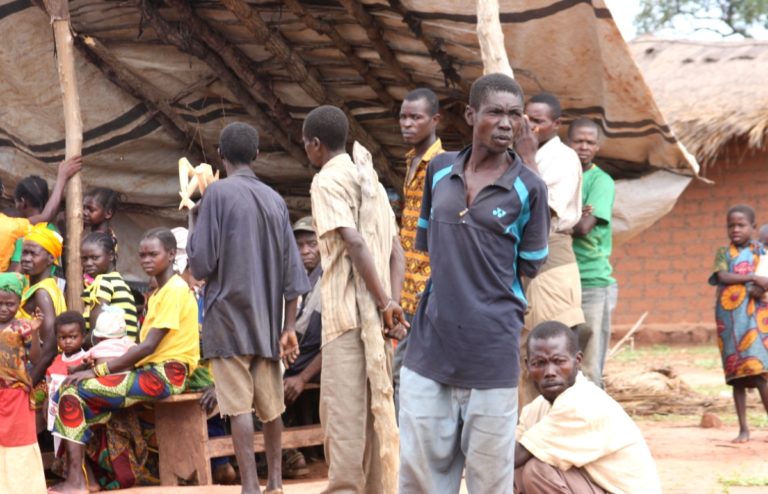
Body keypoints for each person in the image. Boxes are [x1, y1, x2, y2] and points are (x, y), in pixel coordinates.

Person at [399, 74, 550, 494]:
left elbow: (531, 265)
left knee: (488, 480)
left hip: (492, 352)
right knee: (421, 476)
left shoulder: (529, 189)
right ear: (470, 115)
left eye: (514, 115)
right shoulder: (439, 170)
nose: (507, 123)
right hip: (430, 348)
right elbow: (428, 247)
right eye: (495, 112)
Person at [188, 122, 310, 494]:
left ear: (221, 156)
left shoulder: (217, 195)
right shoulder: (274, 199)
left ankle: (249, 487)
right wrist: (288, 326)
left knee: (239, 407)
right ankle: (275, 482)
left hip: (227, 321)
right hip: (269, 322)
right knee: (271, 407)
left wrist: (193, 217)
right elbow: (293, 271)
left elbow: (200, 265)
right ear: (257, 155)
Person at [49, 227, 199, 493]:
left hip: (165, 376)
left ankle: (77, 481)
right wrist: (95, 367)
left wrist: (99, 371)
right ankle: (88, 478)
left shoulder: (174, 290)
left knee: (71, 393)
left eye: (154, 254)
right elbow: (143, 347)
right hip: (152, 372)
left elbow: (149, 346)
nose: (146, 260)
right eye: (142, 255)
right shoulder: (160, 292)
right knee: (72, 392)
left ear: (172, 254)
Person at [305, 105, 406, 493]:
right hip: (380, 326)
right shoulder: (373, 182)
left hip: (346, 322)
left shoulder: (327, 181)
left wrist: (383, 303)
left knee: (344, 427)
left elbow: (354, 240)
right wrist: (392, 305)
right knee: (376, 426)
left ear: (315, 144)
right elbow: (396, 251)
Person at [515, 321, 662, 494]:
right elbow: (507, 455)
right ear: (527, 365)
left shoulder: (581, 404)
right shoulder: (535, 409)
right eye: (539, 363)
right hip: (595, 486)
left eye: (559, 361)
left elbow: (513, 456)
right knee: (514, 472)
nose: (550, 372)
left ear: (577, 361)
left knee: (538, 471)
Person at [517, 92, 585, 406]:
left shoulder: (561, 159)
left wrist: (528, 158)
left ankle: (560, 439)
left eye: (538, 121)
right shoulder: (519, 154)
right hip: (527, 264)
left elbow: (543, 214)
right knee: (528, 355)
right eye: (526, 118)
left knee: (552, 360)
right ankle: (533, 439)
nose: (529, 126)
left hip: (550, 262)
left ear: (556, 124)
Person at [392, 87, 444, 414]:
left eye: (416, 117)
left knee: (407, 375)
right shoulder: (411, 161)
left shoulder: (441, 166)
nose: (407, 124)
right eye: (403, 117)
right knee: (405, 374)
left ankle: (407, 454)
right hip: (408, 292)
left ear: (435, 120)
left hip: (428, 292)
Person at [708, 205, 768, 443]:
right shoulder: (723, 253)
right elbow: (722, 277)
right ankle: (743, 429)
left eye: (741, 225)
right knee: (736, 378)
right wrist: (754, 278)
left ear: (753, 227)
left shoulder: (760, 252)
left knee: (762, 373)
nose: (735, 229)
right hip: (730, 325)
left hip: (756, 323)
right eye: (731, 225)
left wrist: (762, 284)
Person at [567, 118, 617, 388]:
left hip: (591, 279)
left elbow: (584, 227)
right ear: (567, 143)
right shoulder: (559, 174)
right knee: (561, 357)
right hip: (560, 278)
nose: (583, 147)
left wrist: (557, 216)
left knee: (589, 365)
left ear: (597, 147)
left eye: (589, 142)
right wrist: (575, 214)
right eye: (578, 141)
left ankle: (593, 426)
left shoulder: (601, 182)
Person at [281, 216, 323, 478]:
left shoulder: (330, 279)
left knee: (261, 383)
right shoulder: (294, 278)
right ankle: (284, 451)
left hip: (319, 364)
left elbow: (337, 342)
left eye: (311, 244)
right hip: (294, 360)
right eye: (299, 245)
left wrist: (301, 377)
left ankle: (287, 455)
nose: (305, 251)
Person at [0, 273, 45, 494]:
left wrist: (35, 333)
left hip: (16, 393)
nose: (4, 308)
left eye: (10, 304)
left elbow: (36, 359)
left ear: (19, 303)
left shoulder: (23, 327)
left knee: (19, 442)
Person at [1, 156, 81, 272]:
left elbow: (14, 277)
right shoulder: (54, 231)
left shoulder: (25, 235)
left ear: (23, 203)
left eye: (15, 202)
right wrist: (61, 178)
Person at [20, 224, 68, 391]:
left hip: (37, 375)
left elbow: (50, 346)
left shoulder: (42, 292)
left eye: (33, 253)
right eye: (24, 252)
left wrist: (29, 385)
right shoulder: (50, 285)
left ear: (50, 258)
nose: (26, 258)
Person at [80, 231, 138, 341]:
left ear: (111, 256)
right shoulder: (119, 282)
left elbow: (96, 333)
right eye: (84, 258)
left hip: (108, 351)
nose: (88, 263)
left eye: (95, 257)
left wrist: (78, 344)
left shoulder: (103, 282)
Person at [45, 312, 88, 454]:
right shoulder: (56, 361)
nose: (68, 341)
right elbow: (49, 385)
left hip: (78, 419)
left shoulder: (87, 361)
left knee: (77, 451)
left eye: (73, 337)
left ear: (83, 336)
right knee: (60, 449)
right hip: (55, 415)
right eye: (63, 338)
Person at [83, 187, 122, 256]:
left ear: (108, 213)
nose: (85, 213)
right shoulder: (106, 233)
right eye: (83, 208)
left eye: (91, 210)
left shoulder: (100, 240)